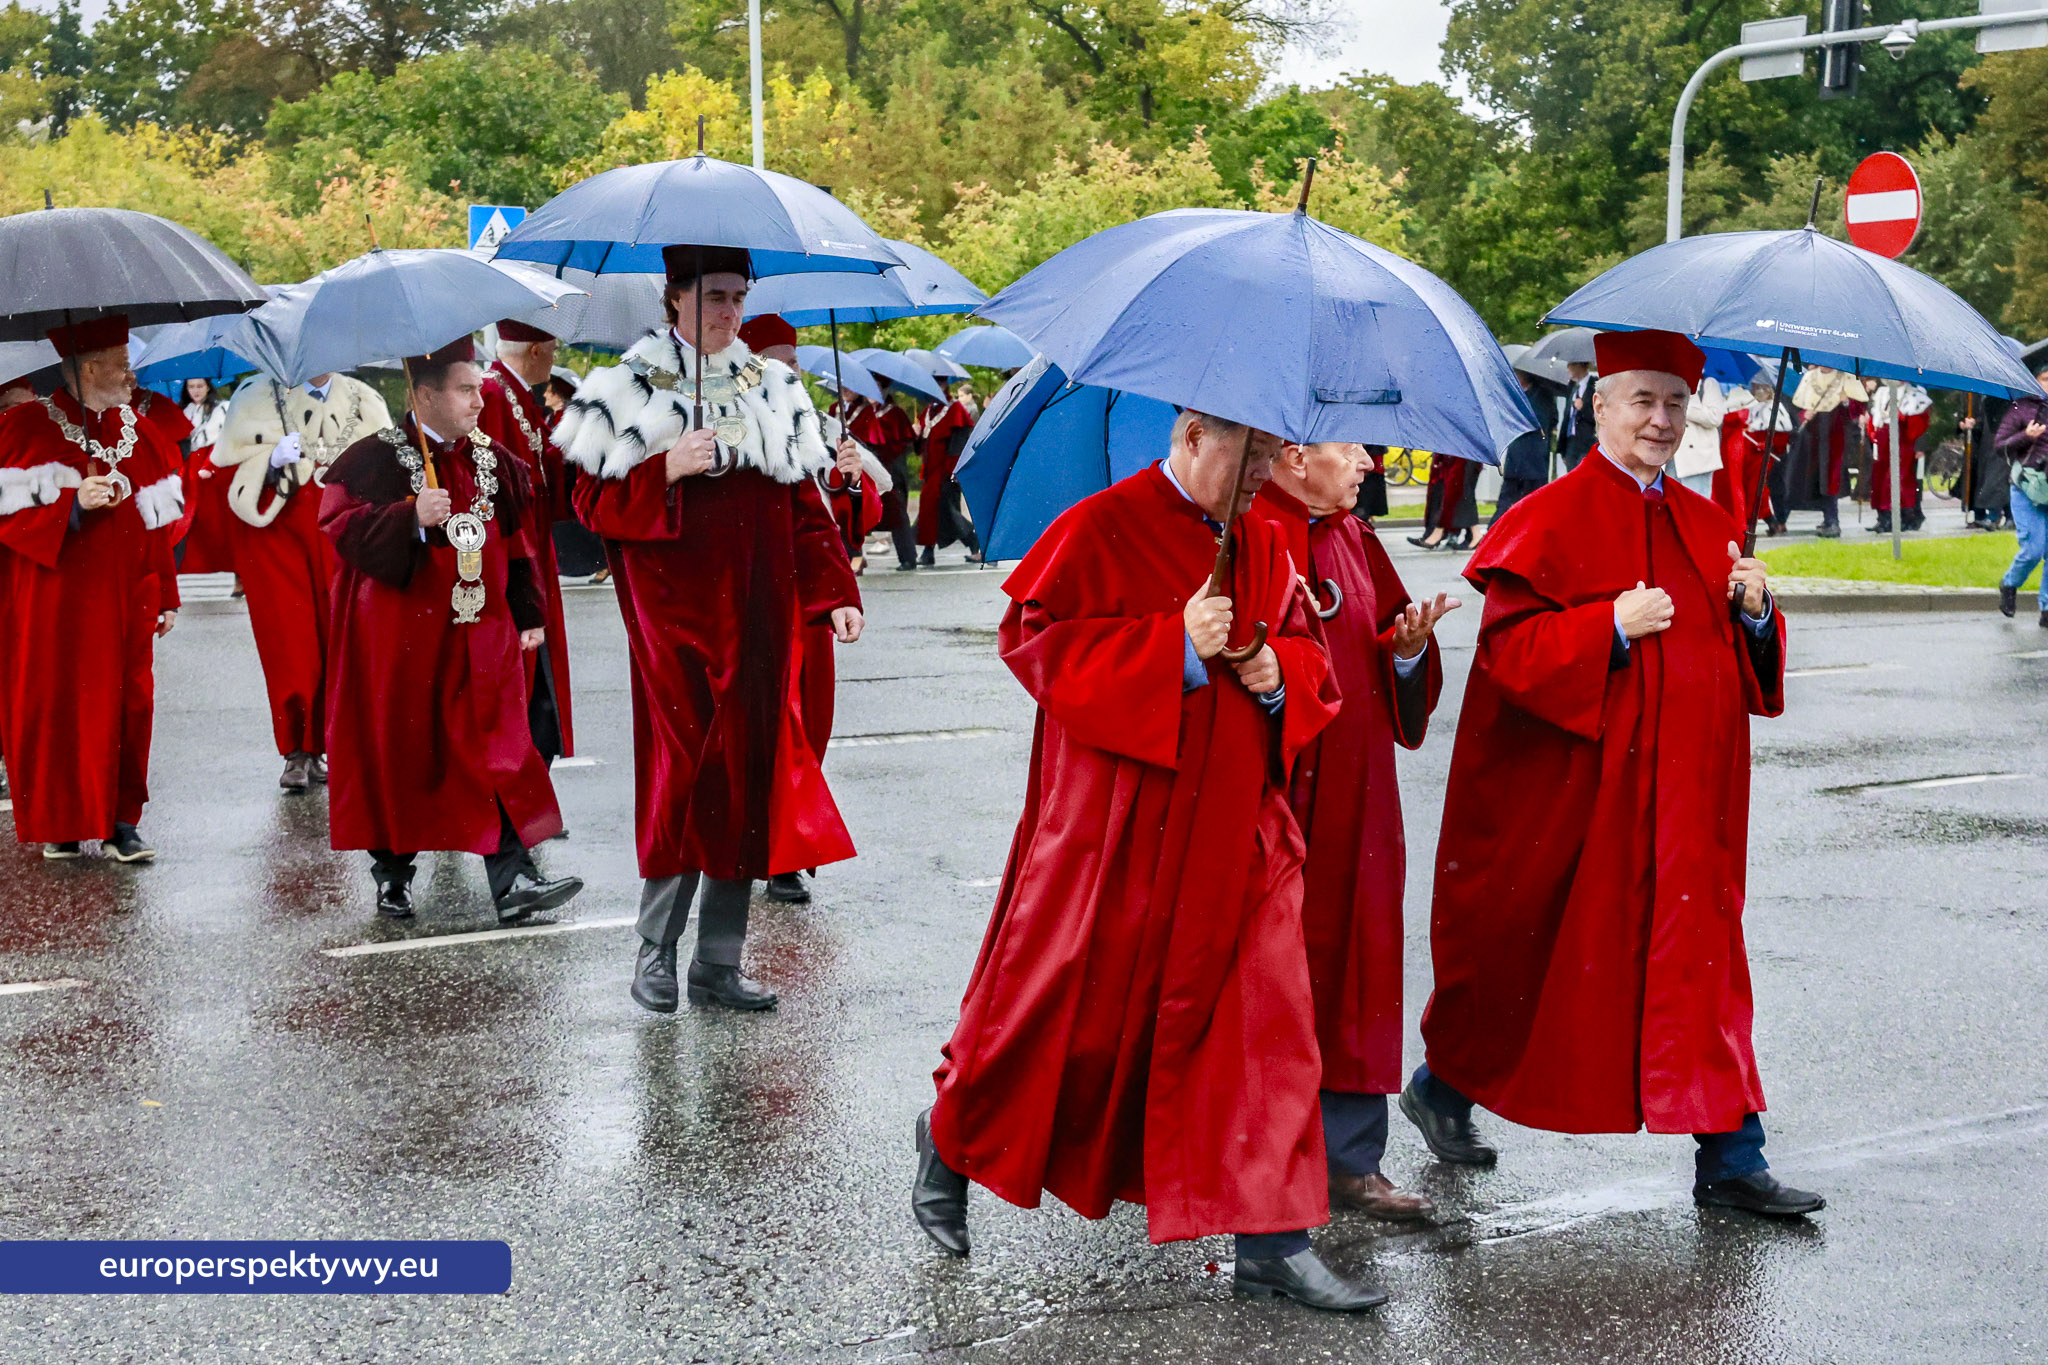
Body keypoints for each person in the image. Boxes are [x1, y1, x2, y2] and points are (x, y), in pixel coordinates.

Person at [914, 410, 1395, 1313]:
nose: (1266, 472)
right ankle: (951, 1134)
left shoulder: (1261, 541)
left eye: (1274, 453)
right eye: (1251, 452)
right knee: (1064, 1020)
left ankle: (1275, 1239)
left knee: (1271, 1030)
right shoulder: (1098, 526)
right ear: (1190, 434)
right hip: (1117, 836)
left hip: (1244, 831)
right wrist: (1171, 645)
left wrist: (1275, 671)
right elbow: (1040, 649)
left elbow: (1307, 657)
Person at [1403, 329, 1825, 1220]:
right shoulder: (1545, 518)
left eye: (1675, 403)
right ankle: (1443, 1086)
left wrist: (1754, 613)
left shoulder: (1710, 526)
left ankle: (1732, 1152)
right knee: (1538, 961)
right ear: (1599, 405)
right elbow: (1509, 657)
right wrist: (1608, 626)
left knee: (1703, 966)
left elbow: (1742, 671)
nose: (1662, 420)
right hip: (1580, 803)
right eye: (1642, 400)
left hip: (1689, 807)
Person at [555, 244, 865, 1014]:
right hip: (675, 626)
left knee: (743, 780)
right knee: (682, 781)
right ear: (674, 298)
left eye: (738, 295)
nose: (730, 312)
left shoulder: (776, 386)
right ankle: (654, 951)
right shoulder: (626, 385)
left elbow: (803, 504)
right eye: (716, 296)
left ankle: (718, 961)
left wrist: (834, 590)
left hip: (761, 619)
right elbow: (587, 506)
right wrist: (664, 470)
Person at [1253, 439, 1455, 1223]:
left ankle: (1350, 1160)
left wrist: (1405, 652)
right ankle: (1261, 1158)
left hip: (1358, 794)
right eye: (1352, 447)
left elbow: (1385, 653)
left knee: (1360, 967)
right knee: (1268, 976)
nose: (1369, 463)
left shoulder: (1353, 537)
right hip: (1273, 793)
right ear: (1296, 455)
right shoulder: (1236, 534)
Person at [319, 338, 581, 921]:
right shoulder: (371, 459)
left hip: (482, 629)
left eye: (476, 388)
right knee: (404, 750)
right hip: (403, 638)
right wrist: (406, 517)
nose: (478, 401)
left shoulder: (497, 461)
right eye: (465, 389)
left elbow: (517, 545)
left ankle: (513, 881)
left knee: (499, 747)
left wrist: (529, 612)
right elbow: (338, 526)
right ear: (423, 394)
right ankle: (392, 872)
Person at [0, 315, 183, 862]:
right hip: (55, 604)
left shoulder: (141, 430)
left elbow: (159, 523)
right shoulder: (25, 426)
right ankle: (62, 821)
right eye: (122, 365)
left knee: (131, 704)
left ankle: (121, 821)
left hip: (130, 598)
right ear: (90, 367)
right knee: (59, 707)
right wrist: (71, 506)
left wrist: (168, 595)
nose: (132, 376)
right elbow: (8, 516)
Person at [214, 368, 392, 791]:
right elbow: (223, 471)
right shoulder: (255, 394)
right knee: (290, 643)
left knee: (341, 638)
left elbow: (387, 470)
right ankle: (297, 749)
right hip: (280, 532)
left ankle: (331, 742)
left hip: (340, 529)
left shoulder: (364, 398)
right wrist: (270, 461)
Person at [480, 319, 575, 765]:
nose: (554, 360)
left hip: (535, 545)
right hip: (519, 550)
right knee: (527, 673)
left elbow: (537, 468)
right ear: (535, 350)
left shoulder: (517, 394)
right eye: (552, 350)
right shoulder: (495, 394)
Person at [1994, 367, 2048, 627]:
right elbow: (2000, 446)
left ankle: (2047, 609)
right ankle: (2010, 583)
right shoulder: (2021, 408)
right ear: (2035, 381)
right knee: (2034, 549)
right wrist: (2026, 436)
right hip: (2026, 488)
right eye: (2046, 379)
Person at [1782, 367, 1861, 539]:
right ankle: (1827, 518)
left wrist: (1846, 401)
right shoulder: (1810, 378)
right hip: (1813, 437)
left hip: (1835, 435)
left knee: (1830, 478)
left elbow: (1857, 408)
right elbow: (1798, 406)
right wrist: (1805, 414)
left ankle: (1833, 521)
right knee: (1816, 479)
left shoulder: (1844, 377)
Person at [914, 377, 981, 566]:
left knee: (941, 508)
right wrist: (916, 434)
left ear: (944, 386)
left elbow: (960, 441)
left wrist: (952, 470)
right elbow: (920, 447)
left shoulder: (955, 409)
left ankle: (931, 550)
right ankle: (933, 550)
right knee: (937, 510)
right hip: (930, 469)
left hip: (946, 469)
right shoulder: (927, 411)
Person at [1714, 376, 1792, 534]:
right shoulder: (1753, 405)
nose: (1758, 391)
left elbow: (1782, 431)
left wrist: (1764, 441)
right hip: (1750, 453)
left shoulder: (1771, 406)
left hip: (1761, 454)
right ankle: (1759, 521)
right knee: (1752, 489)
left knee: (1757, 489)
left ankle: (1769, 521)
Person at [1862, 379, 1930, 534]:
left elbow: (1920, 424)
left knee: (1898, 481)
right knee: (1879, 481)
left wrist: (1919, 446)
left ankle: (1906, 518)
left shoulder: (1914, 394)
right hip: (1883, 439)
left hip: (1903, 441)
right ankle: (1883, 518)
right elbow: (1876, 417)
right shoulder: (1882, 392)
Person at [1490, 370, 1555, 526]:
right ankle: (1495, 529)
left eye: (1517, 375)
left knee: (1534, 500)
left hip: (1534, 459)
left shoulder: (1542, 395)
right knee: (1506, 499)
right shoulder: (1515, 395)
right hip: (1516, 458)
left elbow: (1548, 420)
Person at [1408, 450, 1477, 550]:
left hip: (1465, 455)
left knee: (1458, 494)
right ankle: (1474, 534)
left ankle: (1440, 532)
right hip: (1459, 455)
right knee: (1459, 494)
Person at [1559, 360, 1596, 470]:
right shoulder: (1574, 388)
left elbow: (1602, 417)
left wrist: (1583, 408)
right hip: (1571, 445)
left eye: (1570, 365)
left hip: (1587, 445)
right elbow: (1567, 417)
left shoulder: (1595, 386)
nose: (1568, 368)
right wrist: (1562, 449)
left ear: (1579, 365)